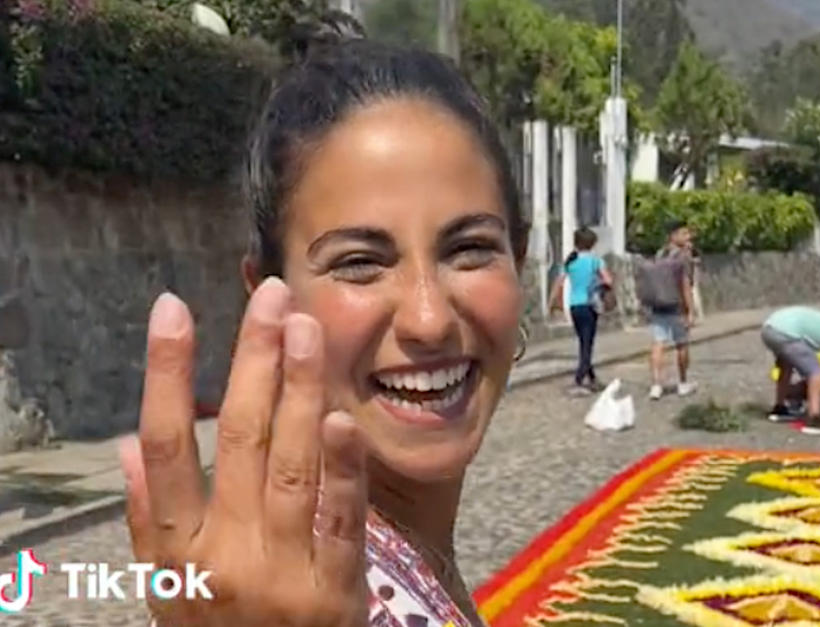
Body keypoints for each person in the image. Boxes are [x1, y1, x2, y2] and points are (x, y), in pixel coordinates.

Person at [119, 36, 529, 627]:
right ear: (268, 295)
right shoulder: (276, 603)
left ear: (520, 258)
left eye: (469, 250)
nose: (429, 317)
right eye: (359, 262)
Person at [548, 226, 613, 394]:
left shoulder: (570, 262)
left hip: (574, 305)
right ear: (593, 244)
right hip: (590, 305)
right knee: (587, 345)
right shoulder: (595, 261)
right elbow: (608, 280)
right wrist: (599, 287)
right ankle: (578, 380)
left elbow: (558, 284)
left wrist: (552, 304)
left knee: (583, 342)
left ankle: (592, 378)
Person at [646, 219, 697, 400]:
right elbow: (686, 285)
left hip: (658, 305)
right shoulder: (683, 257)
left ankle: (656, 385)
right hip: (677, 307)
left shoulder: (660, 254)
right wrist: (691, 311)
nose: (688, 236)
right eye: (684, 233)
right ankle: (682, 383)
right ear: (673, 236)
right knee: (681, 344)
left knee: (658, 344)